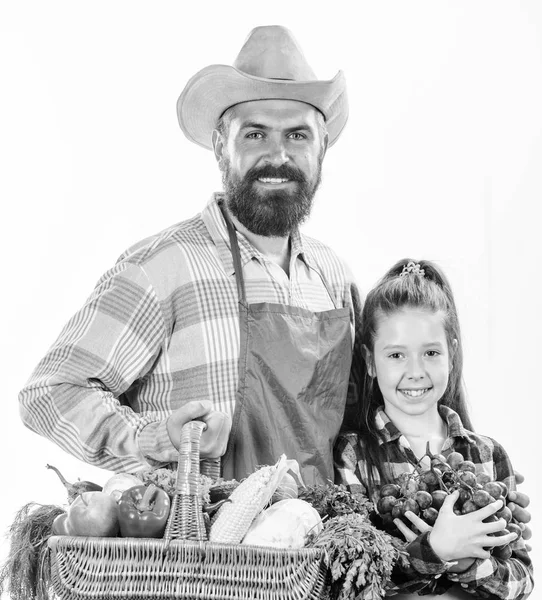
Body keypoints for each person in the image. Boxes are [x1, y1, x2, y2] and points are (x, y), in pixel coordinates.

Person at [18, 25, 359, 486]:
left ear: (321, 150)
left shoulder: (333, 277)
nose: (278, 154)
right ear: (221, 146)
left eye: (298, 135)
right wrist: (156, 439)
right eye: (255, 134)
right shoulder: (164, 267)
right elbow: (50, 392)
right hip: (196, 554)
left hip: (314, 550)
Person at [334, 259, 533, 598]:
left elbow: (521, 578)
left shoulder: (487, 453)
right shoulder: (353, 456)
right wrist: (435, 550)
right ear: (369, 360)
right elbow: (350, 580)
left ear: (451, 354)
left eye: (430, 352)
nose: (415, 371)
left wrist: (466, 565)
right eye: (396, 355)